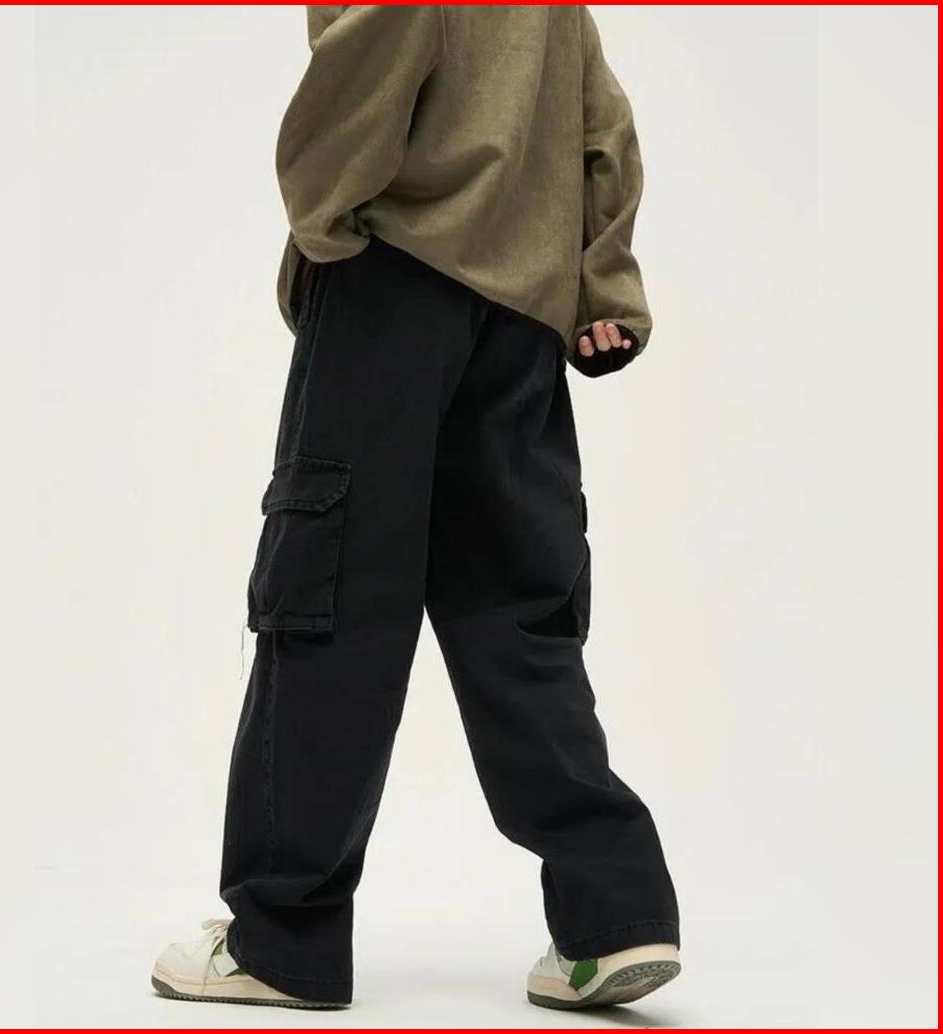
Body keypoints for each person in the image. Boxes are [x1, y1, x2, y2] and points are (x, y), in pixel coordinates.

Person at [152, 4, 679, 1011]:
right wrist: (602, 283)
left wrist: (321, 219)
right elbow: (599, 120)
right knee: (521, 618)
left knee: (329, 599)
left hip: (393, 282)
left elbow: (373, 42)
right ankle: (616, 916)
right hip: (523, 315)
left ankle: (283, 939)